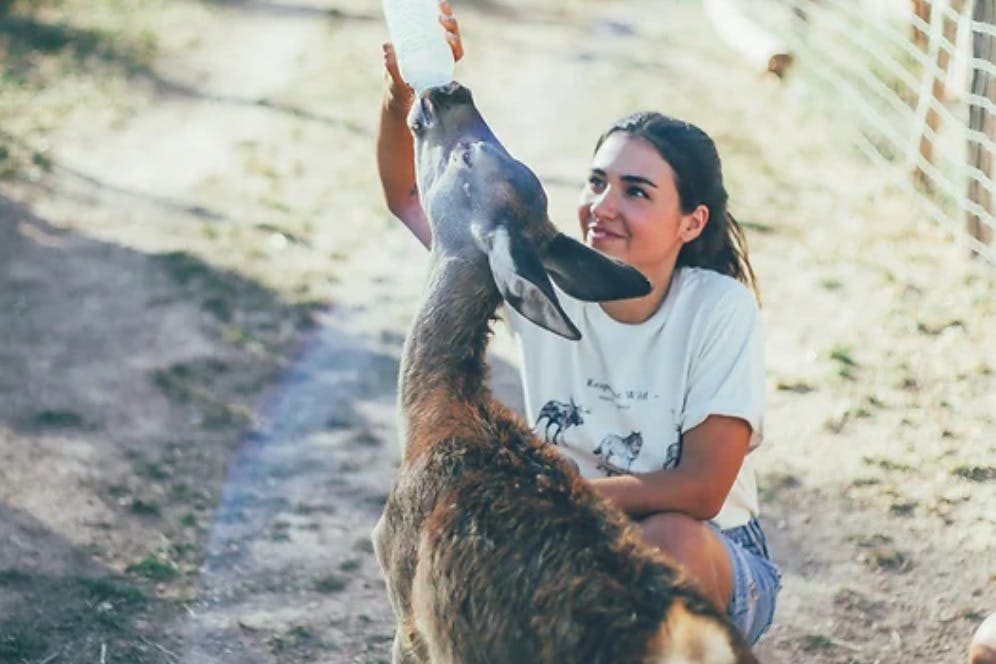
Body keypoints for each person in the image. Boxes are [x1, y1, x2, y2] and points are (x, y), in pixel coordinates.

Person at [375, 1, 781, 646]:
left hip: (706, 551)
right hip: (568, 540)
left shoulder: (717, 308)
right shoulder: (539, 278)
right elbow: (406, 194)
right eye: (597, 182)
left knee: (663, 539)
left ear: (692, 222)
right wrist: (402, 97)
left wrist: (539, 505)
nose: (603, 206)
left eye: (637, 192)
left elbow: (701, 490)